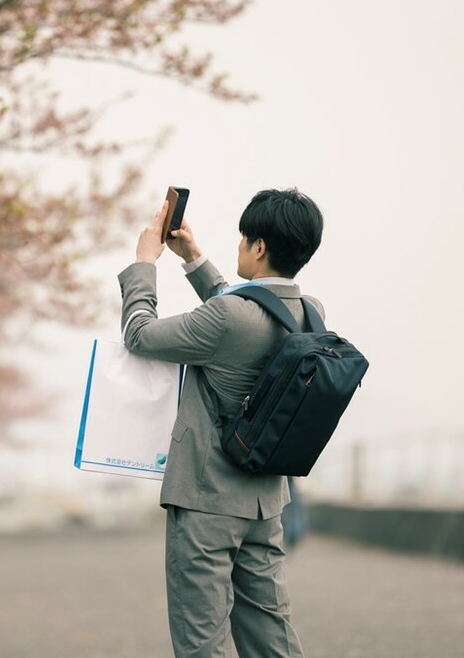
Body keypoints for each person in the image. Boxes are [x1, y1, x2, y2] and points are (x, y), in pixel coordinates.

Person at [118, 188, 324, 658]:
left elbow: (140, 334)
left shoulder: (230, 317)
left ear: (258, 248)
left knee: (202, 642)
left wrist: (144, 264)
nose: (237, 248)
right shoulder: (310, 313)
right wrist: (193, 259)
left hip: (207, 500)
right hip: (265, 503)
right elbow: (247, 308)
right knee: (271, 637)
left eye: (242, 239)